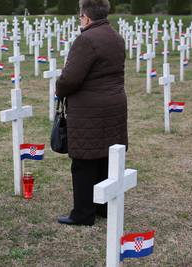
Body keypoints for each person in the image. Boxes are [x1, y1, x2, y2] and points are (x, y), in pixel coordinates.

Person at [55, 0, 128, 226]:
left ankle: (83, 213)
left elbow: (71, 79)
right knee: (106, 157)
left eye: (80, 16)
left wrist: (59, 87)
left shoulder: (85, 39)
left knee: (85, 161)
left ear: (86, 17)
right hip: (114, 105)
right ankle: (104, 207)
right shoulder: (115, 37)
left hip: (89, 109)